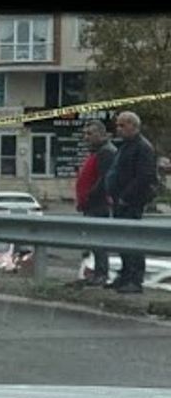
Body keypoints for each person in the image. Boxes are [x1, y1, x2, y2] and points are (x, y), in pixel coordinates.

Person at [105, 111, 159, 293]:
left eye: (123, 125)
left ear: (134, 126)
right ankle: (125, 275)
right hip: (119, 201)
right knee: (122, 240)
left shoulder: (142, 147)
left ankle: (135, 280)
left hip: (131, 202)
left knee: (132, 241)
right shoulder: (126, 146)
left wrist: (125, 197)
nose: (118, 129)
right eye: (118, 125)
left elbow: (144, 177)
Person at [74, 119, 117, 286]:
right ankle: (98, 273)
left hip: (98, 204)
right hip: (91, 203)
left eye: (90, 134)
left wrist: (90, 195)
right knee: (94, 241)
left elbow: (104, 179)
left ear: (101, 134)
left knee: (99, 241)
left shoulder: (106, 152)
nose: (86, 137)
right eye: (85, 134)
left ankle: (101, 273)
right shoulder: (97, 151)